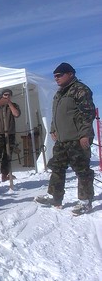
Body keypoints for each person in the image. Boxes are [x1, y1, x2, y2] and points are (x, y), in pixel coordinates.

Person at [34, 63, 95, 215]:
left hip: (77, 138)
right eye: (55, 76)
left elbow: (87, 114)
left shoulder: (80, 90)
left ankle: (85, 202)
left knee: (82, 170)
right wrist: (54, 129)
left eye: (59, 75)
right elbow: (55, 114)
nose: (56, 78)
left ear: (71, 74)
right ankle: (55, 197)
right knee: (57, 167)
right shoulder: (59, 93)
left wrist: (84, 135)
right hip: (62, 140)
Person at [0, 89, 21, 183]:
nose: (6, 97)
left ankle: (4, 175)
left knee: (7, 155)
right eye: (4, 95)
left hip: (10, 133)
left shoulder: (14, 105)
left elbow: (16, 114)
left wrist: (9, 103)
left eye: (8, 95)